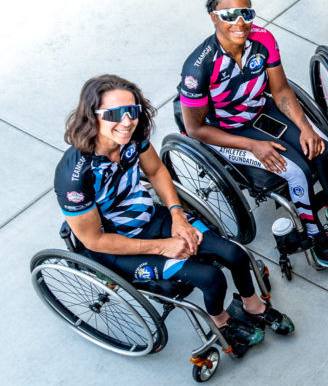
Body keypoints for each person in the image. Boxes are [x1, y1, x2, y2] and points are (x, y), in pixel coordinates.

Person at [55, 75, 293, 353]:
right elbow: (94, 241)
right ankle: (221, 321)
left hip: (153, 218)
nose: (127, 121)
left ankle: (254, 307)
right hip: (118, 247)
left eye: (132, 111)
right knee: (211, 278)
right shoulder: (73, 178)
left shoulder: (134, 138)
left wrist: (178, 215)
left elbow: (156, 171)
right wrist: (163, 246)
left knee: (234, 254)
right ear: (92, 115)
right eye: (114, 114)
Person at [179, 0, 328, 268]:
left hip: (261, 109)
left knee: (324, 150)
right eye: (229, 15)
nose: (239, 22)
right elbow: (195, 129)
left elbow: (280, 91)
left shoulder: (263, 39)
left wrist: (306, 128)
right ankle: (313, 232)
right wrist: (252, 145)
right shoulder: (199, 67)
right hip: (227, 130)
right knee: (296, 171)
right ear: (213, 17)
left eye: (246, 13)